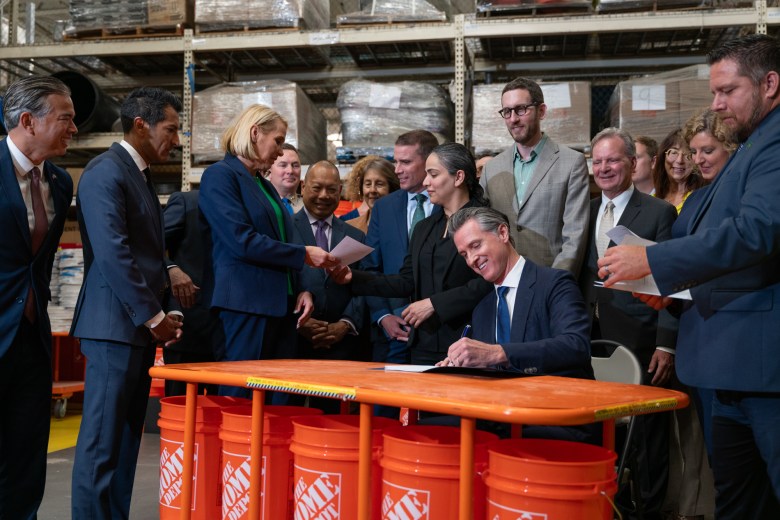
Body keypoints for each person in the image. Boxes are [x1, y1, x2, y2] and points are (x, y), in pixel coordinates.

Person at [599, 34, 780, 519]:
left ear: (770, 83)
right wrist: (676, 292)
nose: (717, 105)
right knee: (741, 502)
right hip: (729, 361)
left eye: (727, 91)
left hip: (761, 367)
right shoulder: (752, 145)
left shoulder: (774, 142)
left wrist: (655, 263)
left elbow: (758, 231)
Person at [70, 87, 183, 519]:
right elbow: (115, 255)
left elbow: (150, 256)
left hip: (132, 329)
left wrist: (166, 310)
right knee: (101, 444)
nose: (175, 140)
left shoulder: (137, 174)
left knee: (123, 442)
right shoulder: (105, 172)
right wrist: (154, 316)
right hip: (112, 329)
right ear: (141, 125)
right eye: (170, 129)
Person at [198, 104, 338, 400]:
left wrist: (301, 289)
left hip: (280, 307)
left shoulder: (263, 184)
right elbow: (241, 240)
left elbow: (281, 238)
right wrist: (302, 254)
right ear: (254, 133)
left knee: (278, 398)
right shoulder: (220, 176)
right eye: (277, 141)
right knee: (241, 397)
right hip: (245, 305)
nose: (279, 151)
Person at [578, 127, 678, 519]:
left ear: (633, 164)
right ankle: (611, 506)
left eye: (613, 160)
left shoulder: (658, 213)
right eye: (597, 161)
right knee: (604, 431)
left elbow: (673, 283)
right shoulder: (584, 210)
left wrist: (666, 343)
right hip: (592, 337)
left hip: (641, 337)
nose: (604, 168)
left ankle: (650, 511)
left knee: (647, 436)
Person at [441, 206, 596, 443]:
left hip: (556, 418)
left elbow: (575, 346)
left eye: (476, 246)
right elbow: (488, 376)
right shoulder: (483, 307)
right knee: (429, 434)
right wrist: (459, 367)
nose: (472, 260)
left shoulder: (554, 283)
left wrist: (496, 353)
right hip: (501, 417)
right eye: (464, 254)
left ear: (503, 233)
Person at [331, 143, 493, 365]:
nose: (426, 182)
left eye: (433, 174)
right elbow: (407, 280)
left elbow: (489, 283)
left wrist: (434, 304)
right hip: (423, 343)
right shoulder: (424, 228)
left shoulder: (487, 223)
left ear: (458, 178)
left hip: (469, 342)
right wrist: (354, 277)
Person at [0, 75, 75, 520]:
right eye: (64, 118)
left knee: (27, 453)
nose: (74, 128)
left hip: (31, 336)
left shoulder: (60, 182)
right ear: (28, 121)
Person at [480, 77, 590, 274]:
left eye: (521, 109)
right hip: (502, 280)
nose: (513, 119)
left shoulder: (571, 162)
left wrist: (554, 285)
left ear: (541, 111)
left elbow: (575, 235)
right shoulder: (492, 169)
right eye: (507, 111)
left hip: (550, 280)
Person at [292, 161, 367, 413]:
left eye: (331, 189)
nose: (324, 196)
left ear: (340, 191)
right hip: (293, 343)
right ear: (303, 187)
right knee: (288, 417)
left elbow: (363, 285)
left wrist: (345, 325)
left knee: (334, 422)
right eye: (316, 188)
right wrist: (298, 322)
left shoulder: (355, 236)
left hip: (341, 346)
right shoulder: (284, 231)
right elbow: (277, 281)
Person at [363, 130, 440, 367]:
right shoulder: (384, 208)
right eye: (396, 161)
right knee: (381, 402)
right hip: (391, 332)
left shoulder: (450, 205)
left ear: (428, 163)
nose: (397, 170)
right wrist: (383, 316)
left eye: (405, 162)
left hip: (438, 331)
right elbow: (370, 267)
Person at [162, 189, 222, 396]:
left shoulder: (246, 208)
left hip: (229, 334)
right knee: (179, 411)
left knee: (225, 415)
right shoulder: (188, 203)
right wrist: (172, 270)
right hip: (188, 326)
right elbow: (150, 246)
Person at [342, 155, 399, 233]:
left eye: (379, 184)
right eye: (368, 184)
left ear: (392, 188)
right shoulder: (349, 227)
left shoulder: (406, 225)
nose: (372, 190)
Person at [652, 129, 705, 214]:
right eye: (673, 152)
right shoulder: (652, 199)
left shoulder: (701, 199)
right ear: (663, 157)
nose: (680, 160)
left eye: (687, 154)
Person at [265, 142, 303, 214]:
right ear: (269, 168)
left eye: (295, 165)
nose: (290, 171)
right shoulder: (261, 204)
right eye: (283, 165)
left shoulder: (310, 208)